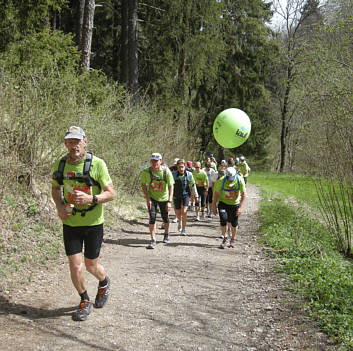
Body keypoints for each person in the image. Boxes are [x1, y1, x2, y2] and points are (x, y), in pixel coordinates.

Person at [51, 126, 115, 322]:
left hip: (94, 223)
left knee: (91, 266)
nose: (74, 145)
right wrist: (60, 207)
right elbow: (55, 188)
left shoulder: (97, 164)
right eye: (70, 142)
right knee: (75, 265)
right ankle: (84, 300)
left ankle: (103, 282)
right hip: (70, 223)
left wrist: (91, 199)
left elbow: (111, 193)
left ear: (85, 142)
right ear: (65, 143)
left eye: (77, 141)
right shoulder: (60, 164)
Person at [141, 153, 174, 248]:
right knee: (152, 217)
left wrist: (169, 201)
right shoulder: (146, 172)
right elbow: (143, 185)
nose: (154, 163)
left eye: (156, 161)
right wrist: (147, 199)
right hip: (152, 197)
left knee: (165, 218)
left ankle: (166, 233)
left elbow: (171, 186)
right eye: (153, 161)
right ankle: (153, 239)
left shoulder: (166, 171)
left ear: (160, 161)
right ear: (150, 161)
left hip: (164, 198)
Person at [212, 167, 246, 249]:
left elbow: (243, 195)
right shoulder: (221, 181)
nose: (230, 180)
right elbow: (216, 194)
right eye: (229, 178)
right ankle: (225, 238)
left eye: (232, 178)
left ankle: (233, 239)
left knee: (234, 224)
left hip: (235, 204)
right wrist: (214, 206)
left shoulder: (240, 180)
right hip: (223, 203)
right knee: (223, 219)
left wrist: (241, 208)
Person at [172, 159, 198, 235]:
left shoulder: (189, 174)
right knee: (178, 212)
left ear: (185, 167)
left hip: (186, 194)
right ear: (177, 167)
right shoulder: (173, 174)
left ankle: (183, 229)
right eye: (179, 167)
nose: (181, 169)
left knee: (184, 212)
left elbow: (193, 185)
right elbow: (170, 186)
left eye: (182, 167)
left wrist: (196, 195)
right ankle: (179, 221)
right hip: (176, 195)